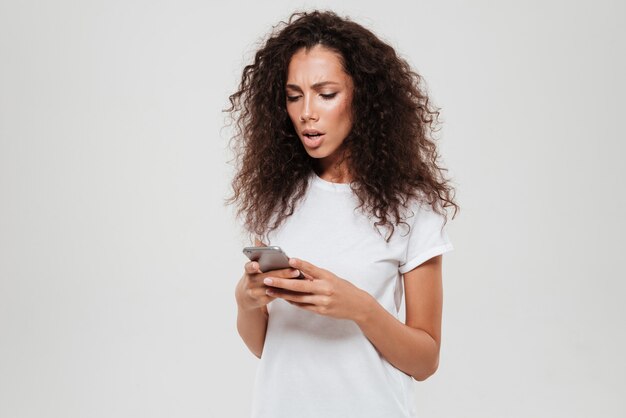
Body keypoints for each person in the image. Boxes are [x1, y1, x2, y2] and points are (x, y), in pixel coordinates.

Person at [226, 9, 459, 418]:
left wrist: (360, 308)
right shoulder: (278, 198)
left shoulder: (411, 207)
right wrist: (247, 300)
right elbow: (268, 347)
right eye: (294, 95)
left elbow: (425, 361)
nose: (306, 113)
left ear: (363, 97)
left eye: (326, 94)